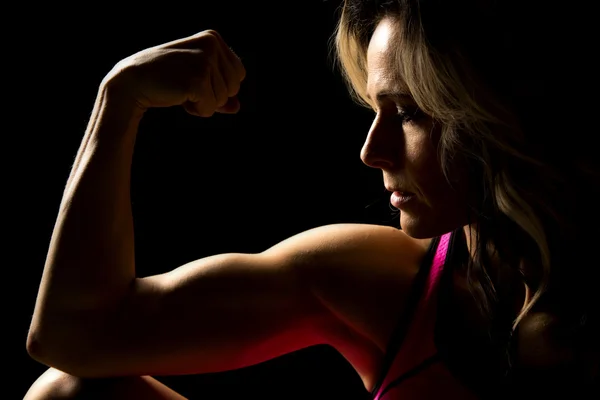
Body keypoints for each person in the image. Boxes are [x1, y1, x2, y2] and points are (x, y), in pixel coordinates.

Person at [24, 1, 599, 399]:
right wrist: (118, 101)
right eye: (376, 111)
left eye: (414, 113)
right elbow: (73, 336)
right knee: (67, 392)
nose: (372, 151)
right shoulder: (379, 282)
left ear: (497, 117)